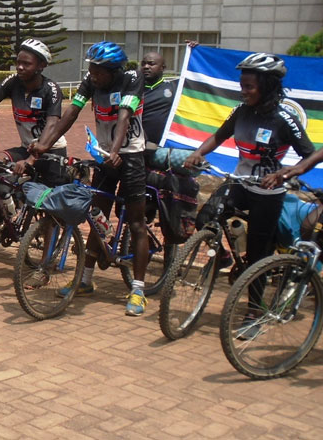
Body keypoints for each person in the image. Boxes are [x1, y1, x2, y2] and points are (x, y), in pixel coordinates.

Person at [183, 53, 315, 331]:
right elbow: (218, 136)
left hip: (268, 194)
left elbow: (310, 155)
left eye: (249, 87)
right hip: (240, 183)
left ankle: (255, 312)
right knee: (205, 218)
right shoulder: (240, 111)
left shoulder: (284, 118)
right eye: (241, 85)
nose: (243, 91)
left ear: (266, 86)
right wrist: (197, 153)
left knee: (258, 256)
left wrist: (286, 173)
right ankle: (223, 255)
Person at [30, 41, 151, 316]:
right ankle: (84, 281)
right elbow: (71, 112)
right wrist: (45, 144)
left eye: (98, 71)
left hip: (130, 155)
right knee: (97, 217)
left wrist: (116, 151)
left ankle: (138, 290)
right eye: (91, 70)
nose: (93, 75)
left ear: (114, 70)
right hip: (104, 157)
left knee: (135, 222)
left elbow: (124, 116)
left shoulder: (132, 79)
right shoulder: (91, 81)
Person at [0, 38, 66, 170]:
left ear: (41, 65)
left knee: (46, 190)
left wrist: (31, 159)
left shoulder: (51, 89)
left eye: (27, 64)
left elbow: (52, 125)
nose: (20, 67)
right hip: (26, 148)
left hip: (51, 151)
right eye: (18, 62)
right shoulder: (12, 82)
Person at [140, 51, 177, 148]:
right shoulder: (134, 89)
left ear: (162, 68)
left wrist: (195, 52)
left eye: (151, 64)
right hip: (141, 146)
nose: (146, 67)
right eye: (143, 64)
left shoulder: (174, 87)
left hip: (167, 146)